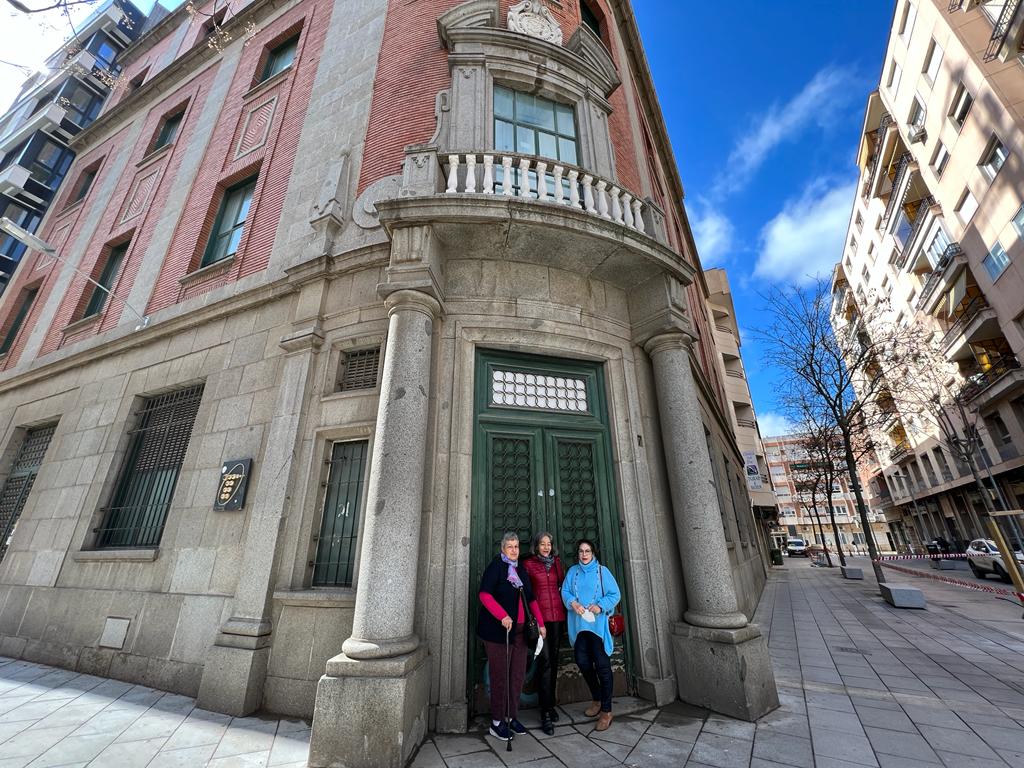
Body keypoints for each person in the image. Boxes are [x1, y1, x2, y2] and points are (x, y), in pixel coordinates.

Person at [477, 532, 547, 741]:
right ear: (503, 549)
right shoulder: (496, 568)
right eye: (510, 547)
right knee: (500, 677)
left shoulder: (521, 570)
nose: (514, 550)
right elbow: (484, 594)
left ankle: (510, 716)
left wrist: (541, 624)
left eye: (516, 546)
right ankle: (497, 722)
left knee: (517, 676)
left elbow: (531, 599)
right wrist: (503, 616)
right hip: (499, 633)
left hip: (521, 633)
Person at [561, 538, 620, 732]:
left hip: (598, 628)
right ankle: (596, 698)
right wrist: (573, 603)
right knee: (582, 662)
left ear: (593, 553)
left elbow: (615, 594)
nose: (584, 554)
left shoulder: (603, 572)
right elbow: (566, 592)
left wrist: (600, 606)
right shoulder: (572, 572)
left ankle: (606, 710)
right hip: (580, 627)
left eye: (587, 551)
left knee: (602, 667)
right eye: (581, 551)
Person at [523, 531, 566, 735]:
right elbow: (527, 594)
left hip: (557, 617)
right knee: (546, 662)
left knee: (554, 661)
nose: (546, 547)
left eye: (549, 543)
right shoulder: (529, 565)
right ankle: (545, 713)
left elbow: (562, 586)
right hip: (541, 620)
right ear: (536, 546)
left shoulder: (556, 563)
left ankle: (550, 705)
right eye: (542, 544)